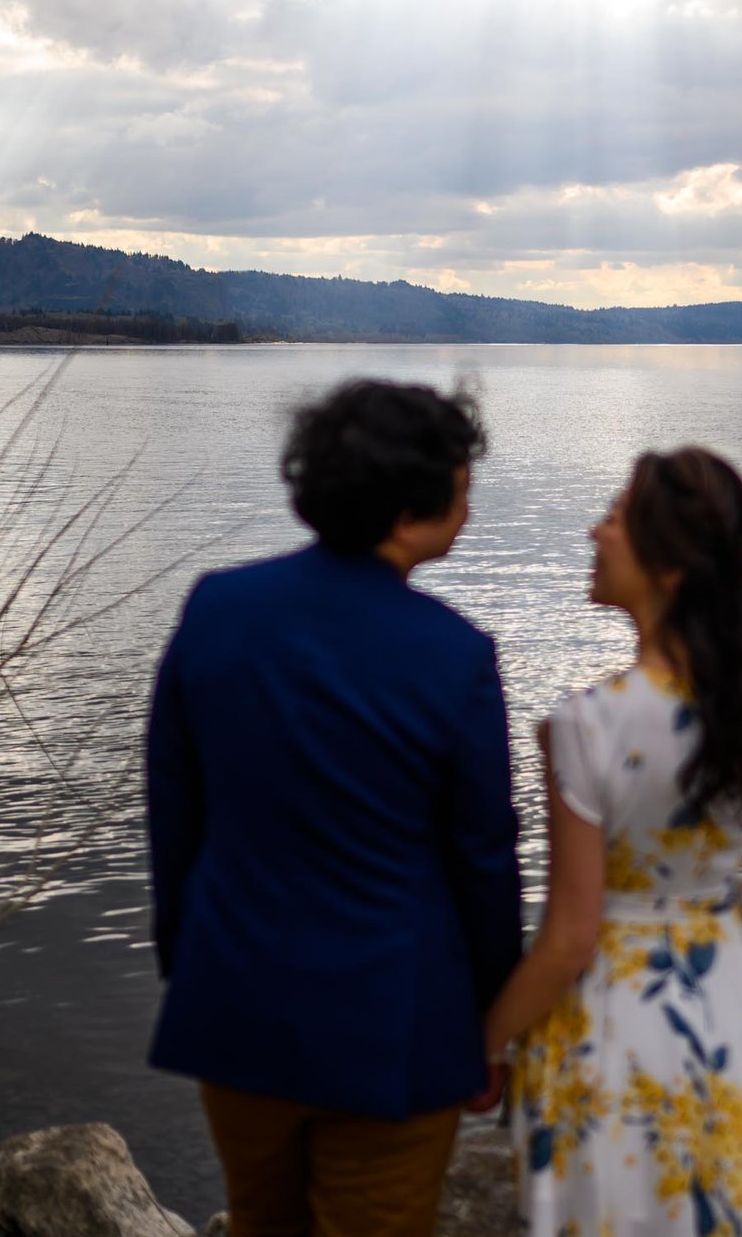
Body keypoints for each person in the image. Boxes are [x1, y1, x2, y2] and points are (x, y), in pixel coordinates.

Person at [145, 379, 523, 1237]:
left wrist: (190, 960)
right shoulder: (453, 655)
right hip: (394, 1026)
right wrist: (488, 1027)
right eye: (464, 483)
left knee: (258, 1221)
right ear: (406, 507)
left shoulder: (216, 609)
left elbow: (174, 810)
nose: (469, 503)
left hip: (236, 1001)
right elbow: (484, 860)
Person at [485, 446, 742, 1237]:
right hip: (729, 1010)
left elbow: (571, 935)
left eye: (615, 518)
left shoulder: (588, 723)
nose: (594, 531)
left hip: (608, 1017)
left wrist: (486, 1040)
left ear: (670, 568)